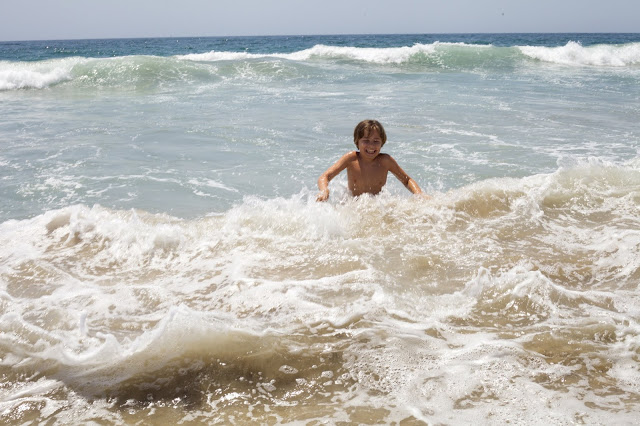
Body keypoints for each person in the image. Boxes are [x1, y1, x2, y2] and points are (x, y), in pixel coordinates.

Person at [316, 119, 426, 201]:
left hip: (376, 205)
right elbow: (325, 176)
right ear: (357, 142)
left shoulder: (385, 161)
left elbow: (407, 180)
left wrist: (419, 194)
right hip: (353, 204)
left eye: (376, 141)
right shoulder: (351, 158)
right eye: (366, 140)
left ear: (382, 143)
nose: (371, 146)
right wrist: (324, 190)